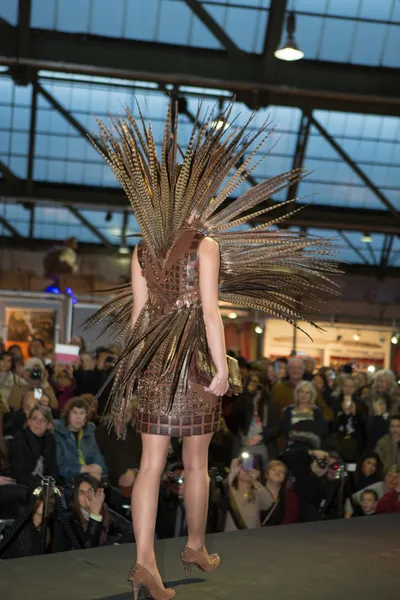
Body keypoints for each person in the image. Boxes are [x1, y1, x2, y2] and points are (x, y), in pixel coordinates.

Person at [87, 101, 337, 599]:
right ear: (194, 203)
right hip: (195, 366)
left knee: (152, 465)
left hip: (155, 367)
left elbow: (138, 321)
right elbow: (208, 312)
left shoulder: (142, 249)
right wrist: (222, 368)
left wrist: (133, 368)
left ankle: (142, 563)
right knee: (197, 463)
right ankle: (195, 545)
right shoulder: (206, 246)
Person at [229, 372, 281, 466]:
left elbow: (276, 427)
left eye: (258, 382)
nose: (256, 385)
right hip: (244, 443)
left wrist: (261, 436)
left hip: (263, 445)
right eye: (253, 382)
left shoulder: (270, 403)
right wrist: (248, 394)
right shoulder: (242, 399)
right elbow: (235, 420)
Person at [68, 474, 133, 549]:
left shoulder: (105, 511)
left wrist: (117, 544)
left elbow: (131, 529)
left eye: (90, 490)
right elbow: (88, 547)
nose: (87, 495)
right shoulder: (70, 519)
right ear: (76, 497)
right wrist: (95, 515)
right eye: (81, 493)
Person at [54, 396, 107, 486]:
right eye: (75, 412)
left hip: (90, 479)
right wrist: (84, 469)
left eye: (82, 413)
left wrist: (99, 468)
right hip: (68, 483)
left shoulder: (89, 434)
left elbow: (99, 458)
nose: (78, 417)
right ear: (68, 415)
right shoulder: (58, 435)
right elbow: (60, 467)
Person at [213, 456, 273, 532]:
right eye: (243, 467)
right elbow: (216, 499)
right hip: (231, 536)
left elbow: (268, 503)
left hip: (254, 536)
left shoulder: (257, 492)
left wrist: (254, 481)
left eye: (250, 468)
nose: (247, 471)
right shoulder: (230, 490)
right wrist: (231, 475)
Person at [272, 357, 333, 424]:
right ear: (288, 371)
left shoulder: (312, 388)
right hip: (283, 429)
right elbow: (273, 411)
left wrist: (316, 423)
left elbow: (326, 411)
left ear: (303, 370)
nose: (296, 370)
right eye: (292, 368)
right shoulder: (278, 388)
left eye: (299, 368)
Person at [9, 405, 58, 489]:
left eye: (43, 420)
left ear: (49, 425)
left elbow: (52, 469)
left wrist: (52, 486)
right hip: (23, 486)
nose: (38, 423)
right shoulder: (20, 439)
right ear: (28, 421)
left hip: (43, 485)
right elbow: (18, 473)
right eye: (34, 418)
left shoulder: (50, 440)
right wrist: (41, 486)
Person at [282, 381, 327, 450]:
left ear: (312, 395)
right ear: (297, 393)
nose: (304, 395)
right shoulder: (288, 410)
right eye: (301, 392)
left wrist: (298, 432)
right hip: (293, 447)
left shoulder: (316, 411)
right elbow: (287, 431)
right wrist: (309, 433)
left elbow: (321, 431)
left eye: (307, 393)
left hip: (312, 447)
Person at [261, 460, 299, 526]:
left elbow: (294, 519)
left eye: (282, 471)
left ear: (284, 477)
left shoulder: (291, 496)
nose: (277, 473)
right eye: (274, 470)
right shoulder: (255, 493)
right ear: (266, 474)